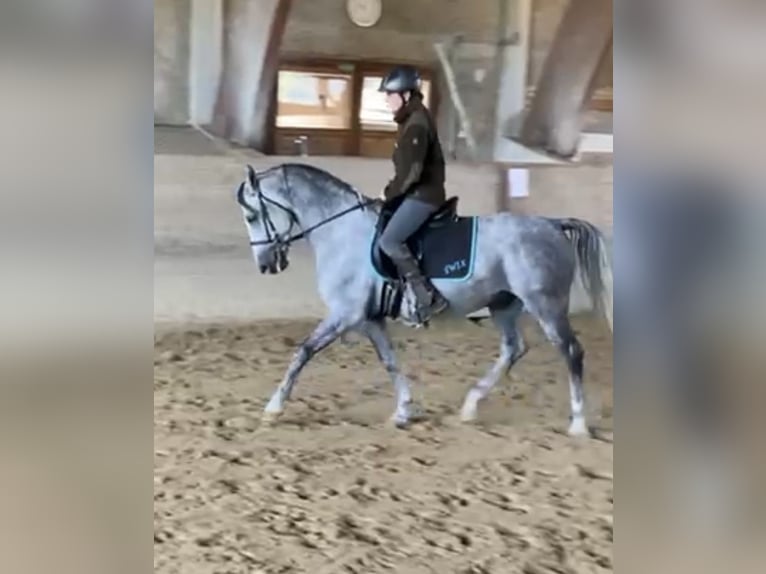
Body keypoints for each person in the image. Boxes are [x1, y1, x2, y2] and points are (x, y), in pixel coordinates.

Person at [377, 64, 449, 325]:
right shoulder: (411, 119)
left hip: (423, 196)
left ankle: (426, 296)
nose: (386, 100)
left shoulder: (416, 123)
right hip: (416, 193)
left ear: (406, 95)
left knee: (390, 242)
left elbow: (412, 173)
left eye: (390, 94)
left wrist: (389, 195)